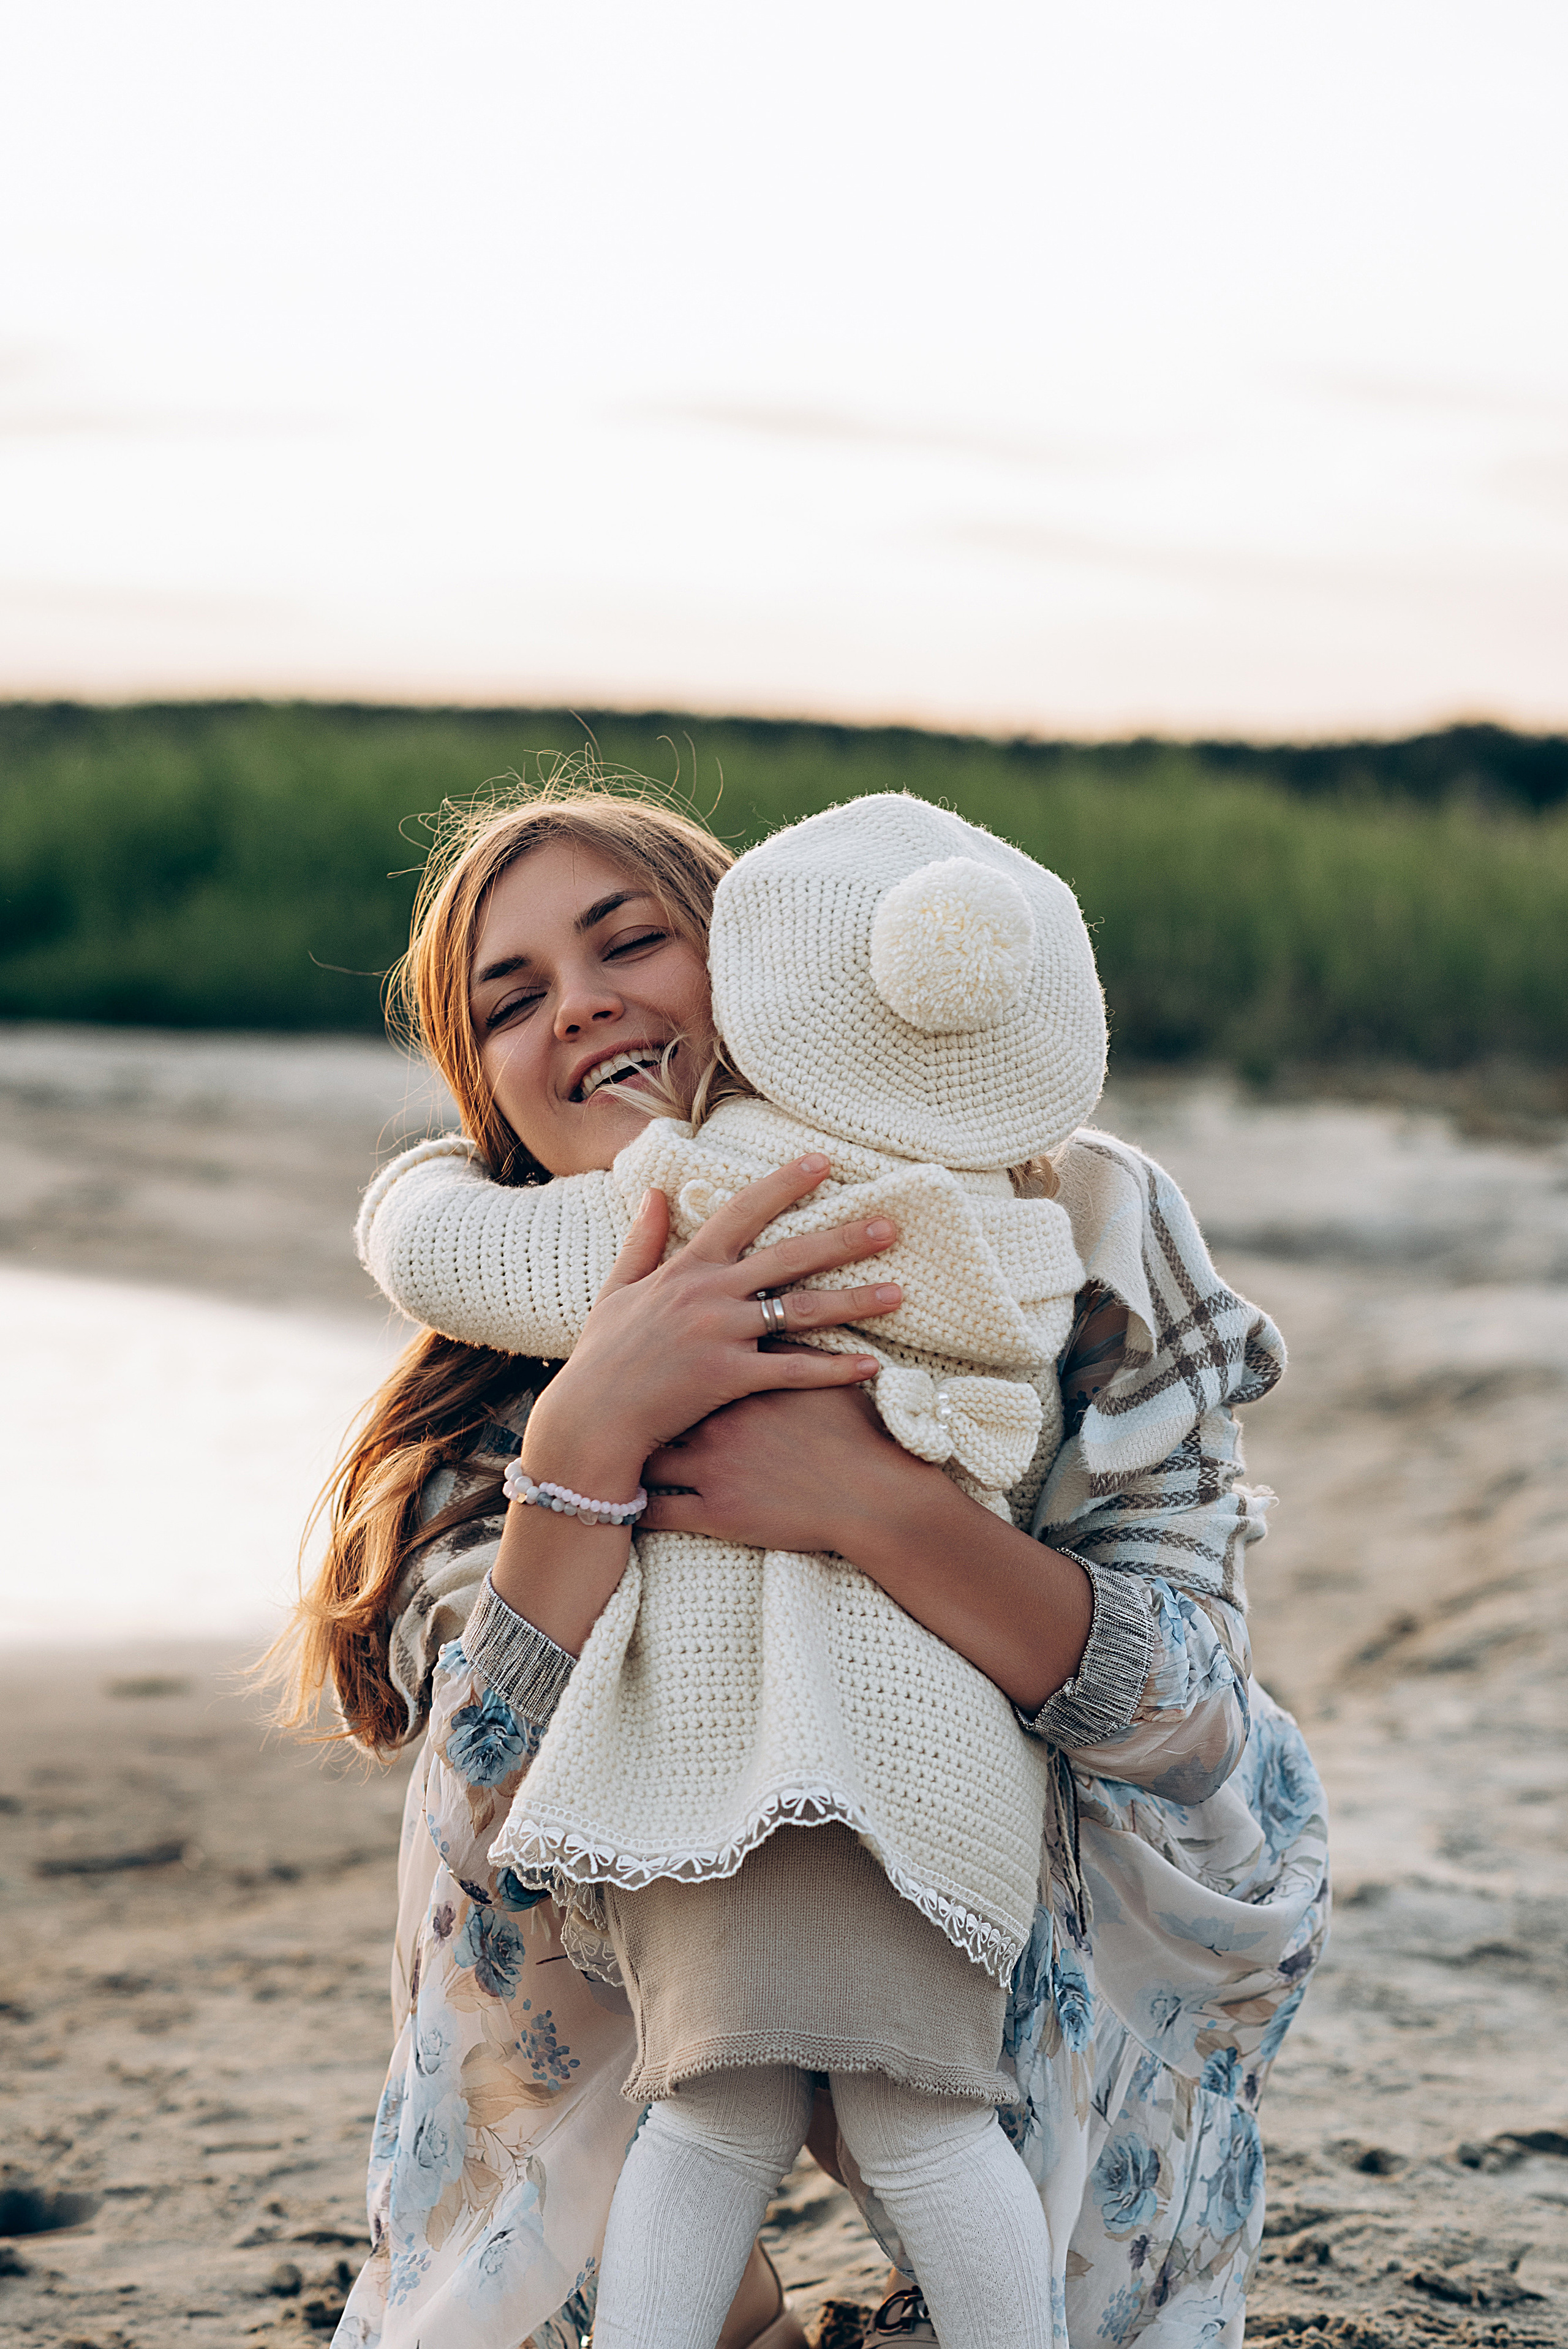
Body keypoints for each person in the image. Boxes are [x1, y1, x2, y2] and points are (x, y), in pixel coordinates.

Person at [279, 774, 1327, 2349]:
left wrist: (872, 1507)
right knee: (495, 1884)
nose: (580, 1007)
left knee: (1175, 1821)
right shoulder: (507, 1363)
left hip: (1005, 1857)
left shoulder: (1057, 1212)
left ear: (764, 951)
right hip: (661, 1895)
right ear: (486, 1087)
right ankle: (696, 2299)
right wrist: (584, 1447)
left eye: (628, 941)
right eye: (512, 1002)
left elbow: (1180, 1715)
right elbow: (485, 1789)